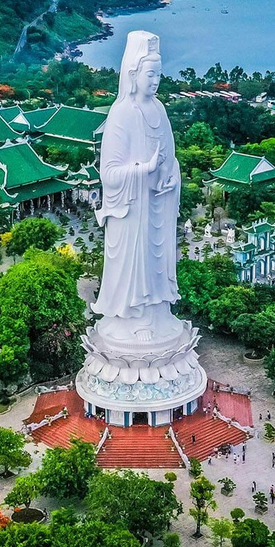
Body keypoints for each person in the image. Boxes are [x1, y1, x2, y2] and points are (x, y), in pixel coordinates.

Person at [92, 31, 181, 343]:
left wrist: (170, 176)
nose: (156, 80)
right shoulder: (122, 113)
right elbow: (109, 174)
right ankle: (130, 317)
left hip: (157, 204)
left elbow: (170, 160)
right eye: (150, 73)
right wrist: (143, 170)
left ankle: (156, 314)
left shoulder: (160, 109)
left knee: (158, 263)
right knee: (133, 265)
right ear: (134, 73)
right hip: (131, 210)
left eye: (159, 73)